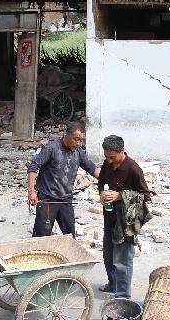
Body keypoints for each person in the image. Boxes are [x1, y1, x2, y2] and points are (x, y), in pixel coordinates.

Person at [97, 135, 151, 299]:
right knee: (108, 255)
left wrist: (120, 196)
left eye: (112, 157)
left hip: (126, 221)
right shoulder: (108, 163)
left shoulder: (133, 168)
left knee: (123, 260)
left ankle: (122, 296)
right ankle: (113, 285)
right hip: (109, 217)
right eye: (106, 157)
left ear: (122, 151)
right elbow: (101, 181)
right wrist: (101, 194)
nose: (109, 160)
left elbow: (145, 195)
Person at [27, 122, 100, 237]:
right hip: (47, 200)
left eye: (81, 140)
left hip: (65, 200)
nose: (78, 143)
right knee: (41, 238)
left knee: (71, 236)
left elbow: (92, 169)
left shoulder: (78, 152)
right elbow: (33, 167)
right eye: (76, 139)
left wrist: (109, 181)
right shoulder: (51, 148)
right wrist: (32, 191)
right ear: (66, 134)